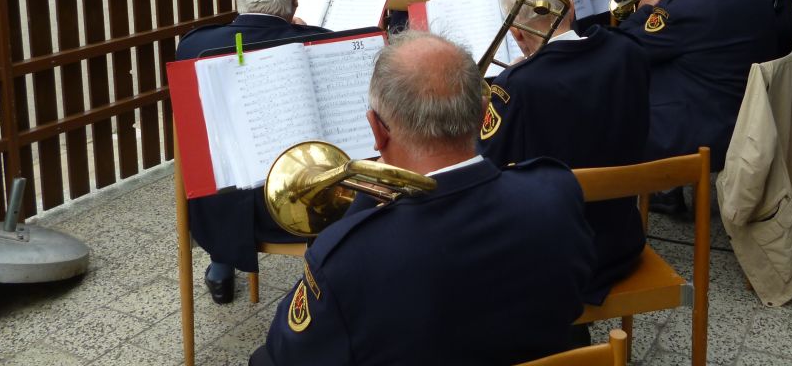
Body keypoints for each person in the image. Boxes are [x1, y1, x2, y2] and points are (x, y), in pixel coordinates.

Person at [254, 32, 596, 366]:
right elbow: (575, 294)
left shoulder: (345, 259)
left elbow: (289, 352)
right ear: (481, 114)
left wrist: (360, 211)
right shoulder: (555, 191)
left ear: (377, 130)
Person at [480, 0, 650, 302]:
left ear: (516, 34)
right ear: (571, 8)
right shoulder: (628, 52)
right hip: (622, 242)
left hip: (550, 258)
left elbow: (488, 166)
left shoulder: (517, 85)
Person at [176, 0, 327, 305]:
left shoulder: (193, 49)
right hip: (307, 211)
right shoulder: (321, 43)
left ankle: (222, 265)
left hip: (220, 213)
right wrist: (299, 32)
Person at [619, 0, 776, 177]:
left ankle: (659, 188)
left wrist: (645, 9)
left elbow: (625, 45)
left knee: (617, 105)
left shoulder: (686, 10)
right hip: (749, 116)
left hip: (706, 130)